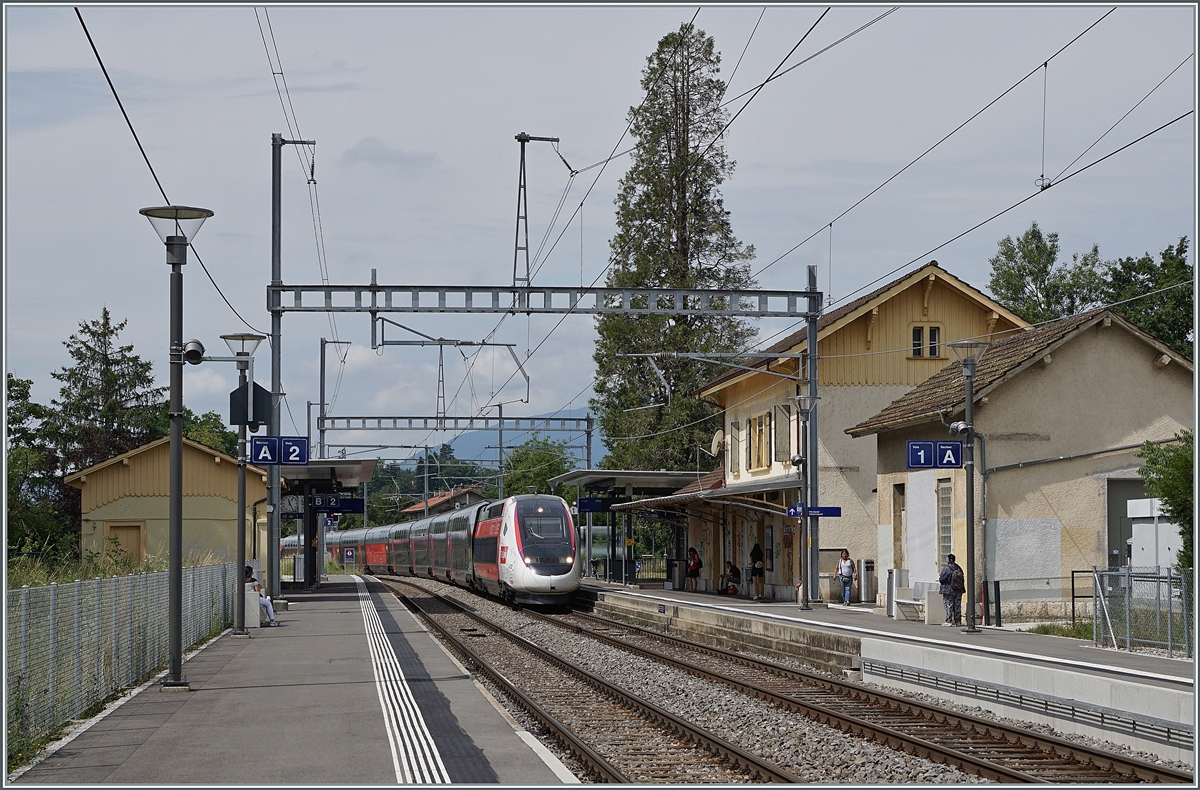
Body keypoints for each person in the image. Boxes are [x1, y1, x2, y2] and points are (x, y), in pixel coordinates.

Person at [939, 554, 965, 626]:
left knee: (948, 605)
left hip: (948, 590)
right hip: (959, 590)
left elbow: (942, 579)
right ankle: (958, 621)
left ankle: (949, 621)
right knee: (957, 605)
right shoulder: (958, 568)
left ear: (948, 560)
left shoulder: (946, 568)